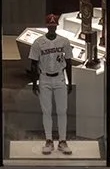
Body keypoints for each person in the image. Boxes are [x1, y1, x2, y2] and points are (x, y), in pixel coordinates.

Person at [27, 11, 77, 155]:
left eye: (54, 26)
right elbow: (33, 64)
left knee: (62, 111)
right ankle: (49, 140)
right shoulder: (38, 42)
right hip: (44, 78)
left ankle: (62, 140)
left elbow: (68, 62)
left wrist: (69, 81)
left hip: (60, 77)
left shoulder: (64, 41)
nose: (52, 28)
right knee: (46, 111)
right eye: (50, 26)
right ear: (47, 26)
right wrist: (35, 83)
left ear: (56, 26)